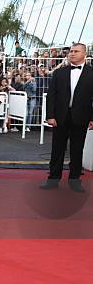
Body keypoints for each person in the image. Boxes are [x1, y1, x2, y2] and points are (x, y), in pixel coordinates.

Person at [40, 43, 93, 193]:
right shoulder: (59, 73)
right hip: (60, 116)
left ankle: (75, 180)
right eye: (71, 51)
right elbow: (52, 96)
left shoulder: (91, 73)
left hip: (81, 117)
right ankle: (53, 179)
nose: (72, 54)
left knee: (77, 149)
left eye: (76, 51)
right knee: (57, 148)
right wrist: (50, 116)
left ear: (84, 54)